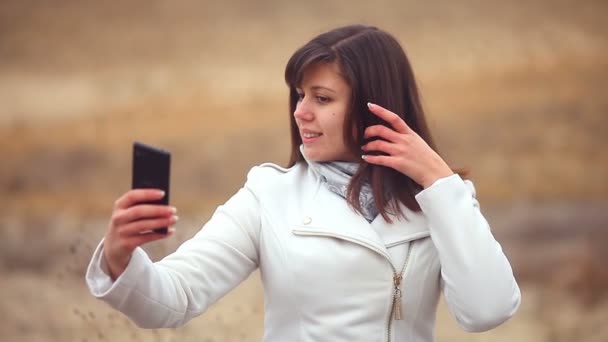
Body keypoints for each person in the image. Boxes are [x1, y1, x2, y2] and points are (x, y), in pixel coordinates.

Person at [86, 24, 521, 342]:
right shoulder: (269, 195)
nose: (300, 112)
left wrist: (439, 181)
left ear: (375, 108)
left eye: (322, 98)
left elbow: (488, 310)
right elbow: (173, 298)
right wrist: (121, 257)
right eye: (299, 95)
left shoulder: (441, 200)